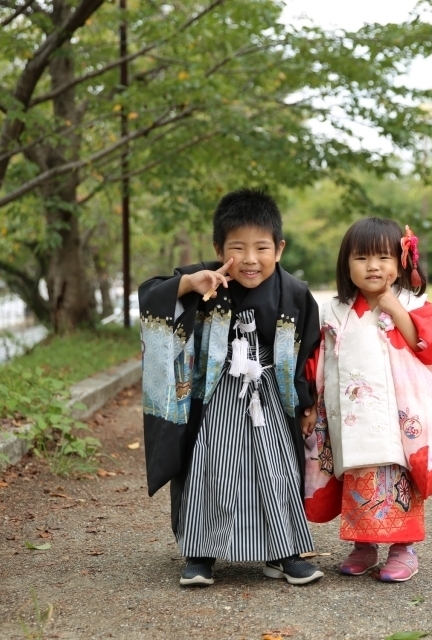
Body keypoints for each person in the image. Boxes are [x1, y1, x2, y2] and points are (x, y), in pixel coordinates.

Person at [138, 188, 324, 587]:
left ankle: (284, 551)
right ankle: (200, 553)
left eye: (262, 248)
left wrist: (307, 403)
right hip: (216, 395)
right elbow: (152, 297)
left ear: (279, 248)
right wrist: (188, 283)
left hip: (270, 395)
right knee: (210, 468)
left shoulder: (294, 291)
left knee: (276, 470)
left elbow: (309, 350)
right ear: (218, 247)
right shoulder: (205, 278)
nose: (251, 259)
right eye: (237, 248)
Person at [303, 217, 432, 582]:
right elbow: (317, 359)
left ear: (402, 262)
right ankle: (363, 545)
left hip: (397, 413)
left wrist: (394, 308)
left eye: (384, 257)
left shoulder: (412, 302)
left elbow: (430, 346)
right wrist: (310, 403)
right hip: (351, 414)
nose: (373, 266)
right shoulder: (334, 311)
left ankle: (403, 549)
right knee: (358, 474)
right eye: (362, 258)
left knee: (396, 475)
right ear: (346, 264)